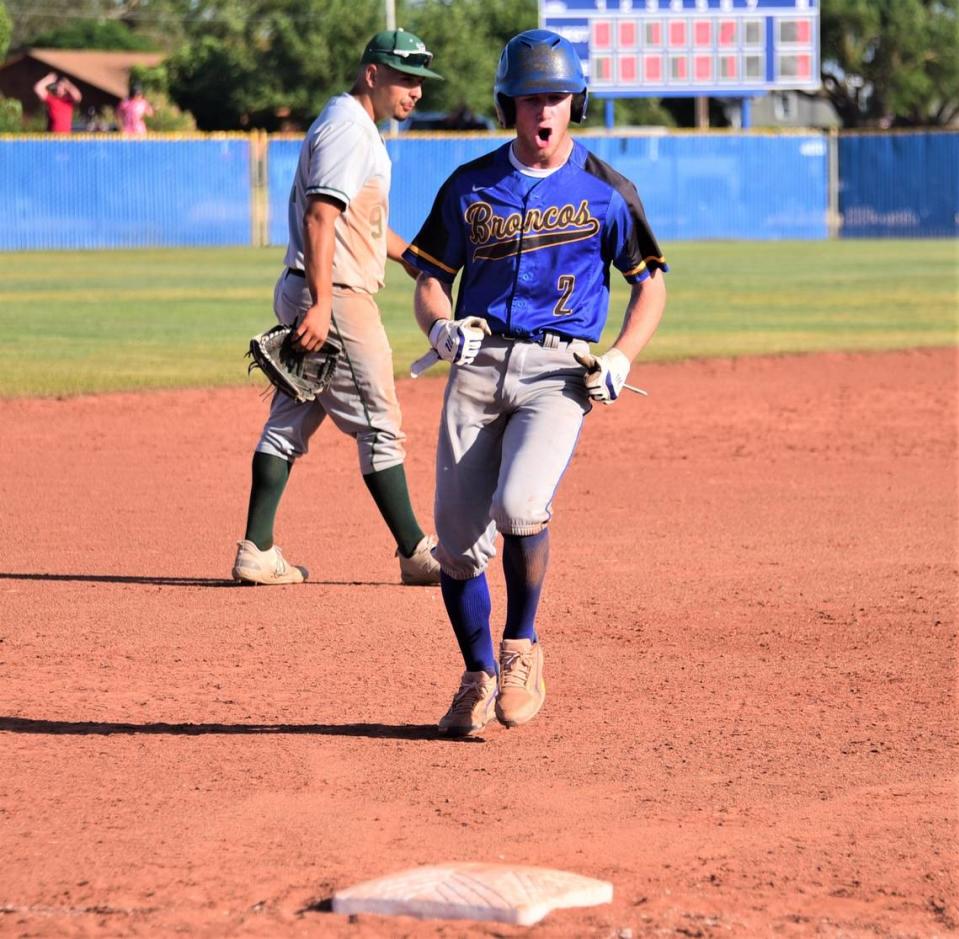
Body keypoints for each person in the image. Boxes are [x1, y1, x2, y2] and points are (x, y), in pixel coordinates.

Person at [402, 29, 668, 736]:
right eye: (528, 99)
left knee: (521, 503)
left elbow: (651, 282)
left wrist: (621, 356)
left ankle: (522, 646)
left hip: (559, 372)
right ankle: (477, 674)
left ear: (575, 101)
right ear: (508, 106)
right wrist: (439, 328)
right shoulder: (470, 185)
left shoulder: (607, 190)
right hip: (477, 362)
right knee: (455, 545)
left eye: (553, 96)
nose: (541, 109)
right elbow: (431, 277)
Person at [232, 28, 445, 587]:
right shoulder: (350, 129)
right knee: (380, 423)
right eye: (405, 78)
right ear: (372, 74)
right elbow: (320, 219)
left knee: (289, 422)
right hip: (337, 296)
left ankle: (256, 549)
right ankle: (415, 552)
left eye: (420, 81)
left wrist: (412, 258)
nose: (416, 91)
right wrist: (324, 303)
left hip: (319, 286)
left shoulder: (352, 125)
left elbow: (358, 224)